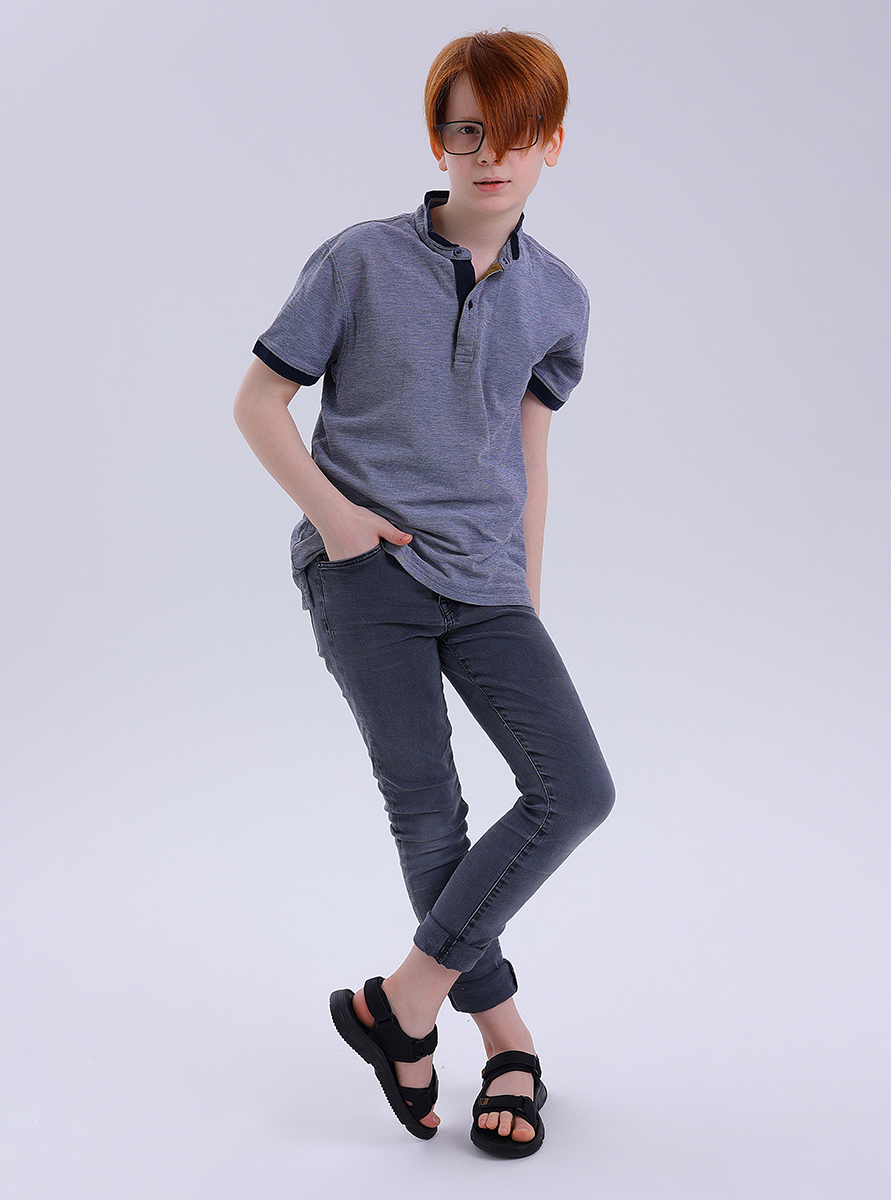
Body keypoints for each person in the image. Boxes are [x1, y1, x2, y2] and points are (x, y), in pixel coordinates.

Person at [233, 29, 615, 1159]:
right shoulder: (358, 260)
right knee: (430, 810)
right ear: (439, 140)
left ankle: (400, 1007)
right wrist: (339, 523)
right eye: (467, 131)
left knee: (575, 791)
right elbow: (258, 403)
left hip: (488, 583)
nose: (490, 154)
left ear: (553, 144)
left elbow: (530, 452)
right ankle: (508, 1043)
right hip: (368, 575)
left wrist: (525, 594)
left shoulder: (560, 297)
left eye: (515, 134)